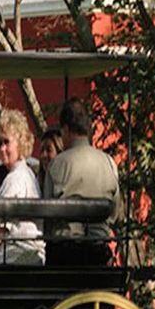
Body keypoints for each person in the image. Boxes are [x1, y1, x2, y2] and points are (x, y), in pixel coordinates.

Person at [42, 98, 121, 266]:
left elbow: (47, 214)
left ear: (66, 129)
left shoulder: (57, 164)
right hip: (98, 252)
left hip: (65, 254)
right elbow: (114, 214)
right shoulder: (109, 163)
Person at [0, 110, 45, 265]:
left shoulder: (15, 179)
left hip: (14, 257)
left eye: (6, 142)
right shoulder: (27, 174)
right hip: (27, 255)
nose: (2, 148)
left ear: (20, 142)